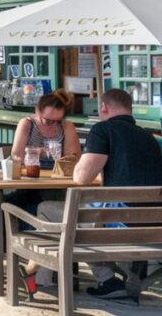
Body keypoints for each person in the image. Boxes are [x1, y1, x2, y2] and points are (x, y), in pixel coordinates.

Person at [28, 89, 162, 300]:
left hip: (119, 228)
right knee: (85, 215)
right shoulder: (150, 138)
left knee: (47, 210)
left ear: (103, 108)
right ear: (130, 108)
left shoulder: (103, 130)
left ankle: (106, 279)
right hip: (154, 228)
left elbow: (82, 177)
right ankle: (42, 277)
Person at [11, 89, 81, 163]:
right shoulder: (27, 124)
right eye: (47, 120)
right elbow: (16, 156)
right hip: (30, 170)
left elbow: (73, 159)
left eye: (57, 121)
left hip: (58, 171)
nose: (52, 123)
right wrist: (36, 152)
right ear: (37, 110)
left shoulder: (66, 126)